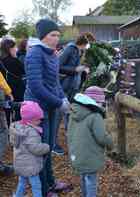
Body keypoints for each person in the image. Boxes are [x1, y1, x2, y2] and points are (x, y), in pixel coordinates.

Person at [24, 19, 71, 196]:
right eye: (53, 35)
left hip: (50, 105)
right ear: (43, 36)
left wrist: (63, 97)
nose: (56, 38)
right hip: (36, 108)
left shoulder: (52, 53)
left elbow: (55, 82)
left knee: (49, 146)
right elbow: (36, 86)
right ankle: (43, 190)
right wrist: (59, 102)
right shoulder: (34, 54)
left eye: (58, 35)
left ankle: (50, 181)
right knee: (41, 149)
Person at [67, 86, 113, 197]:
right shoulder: (95, 116)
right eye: (102, 103)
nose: (103, 105)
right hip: (90, 156)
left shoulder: (74, 112)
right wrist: (110, 143)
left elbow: (69, 132)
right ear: (95, 102)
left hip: (77, 154)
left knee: (83, 177)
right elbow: (101, 137)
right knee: (91, 181)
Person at [53, 34, 90, 155]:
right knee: (58, 115)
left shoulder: (79, 51)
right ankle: (53, 144)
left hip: (73, 88)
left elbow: (77, 69)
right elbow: (58, 66)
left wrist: (83, 71)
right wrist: (75, 70)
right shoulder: (70, 49)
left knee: (70, 114)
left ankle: (72, 139)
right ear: (84, 42)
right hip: (64, 88)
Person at [11, 101, 50, 197]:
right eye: (37, 119)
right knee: (36, 185)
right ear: (30, 120)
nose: (40, 121)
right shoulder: (31, 132)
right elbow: (35, 148)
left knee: (22, 182)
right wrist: (46, 147)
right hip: (30, 166)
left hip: (20, 163)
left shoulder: (18, 128)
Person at [0, 38, 26, 123]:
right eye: (15, 47)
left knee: (6, 114)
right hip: (17, 90)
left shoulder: (1, 60)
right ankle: (17, 130)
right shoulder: (15, 61)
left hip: (4, 91)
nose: (16, 49)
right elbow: (24, 71)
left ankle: (8, 132)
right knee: (19, 111)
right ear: (10, 49)